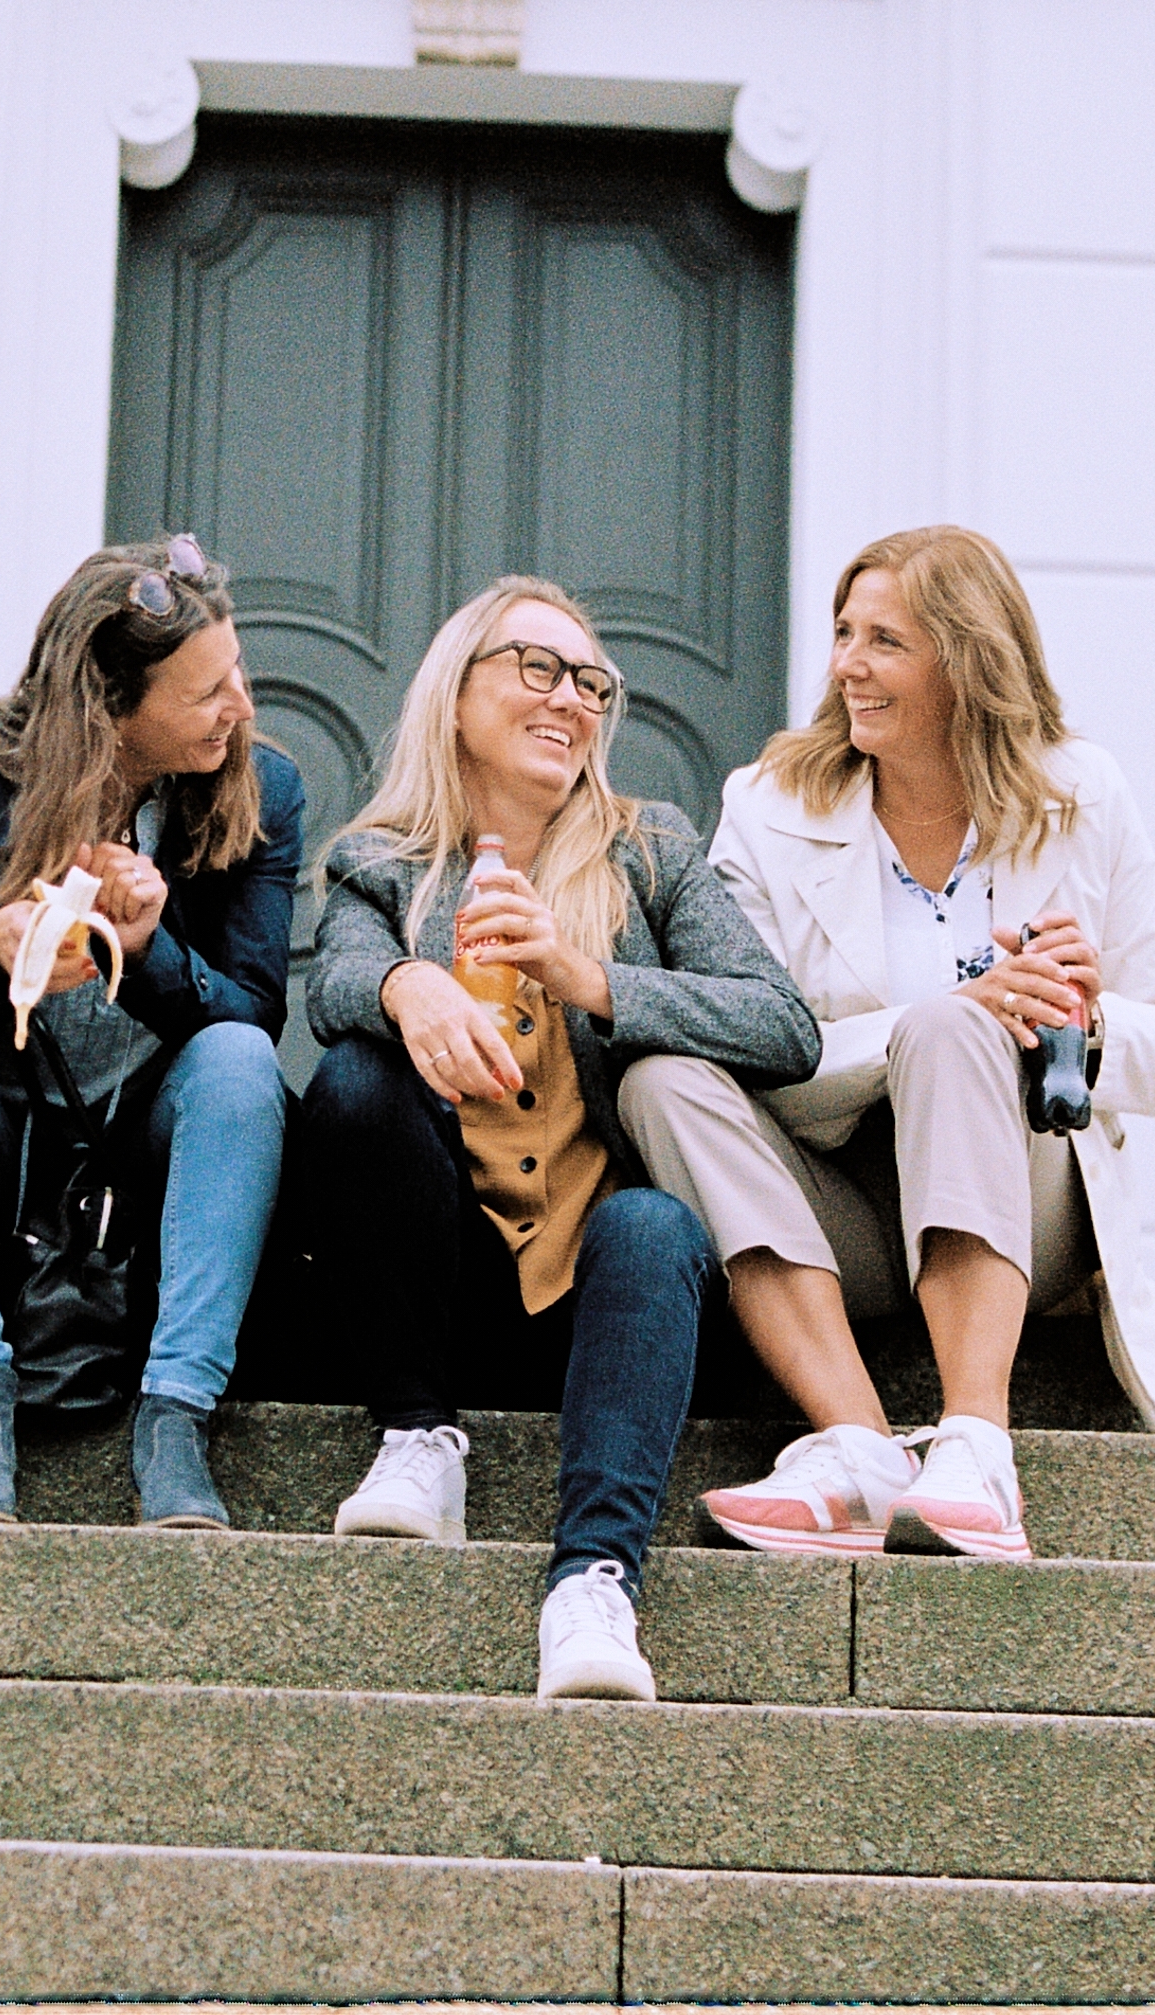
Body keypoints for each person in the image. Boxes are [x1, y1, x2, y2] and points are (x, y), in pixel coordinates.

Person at [297, 578, 821, 1702]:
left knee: (652, 1219)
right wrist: (405, 984)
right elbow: (331, 983)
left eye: (590, 681)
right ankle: (419, 1439)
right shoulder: (383, 864)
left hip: (614, 1298)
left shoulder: (654, 853)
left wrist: (592, 978)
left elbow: (784, 1023)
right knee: (353, 1081)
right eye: (535, 666)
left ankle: (594, 1581)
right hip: (453, 1287)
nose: (570, 698)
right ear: (457, 693)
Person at [666, 523, 1155, 1565]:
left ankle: (976, 1449)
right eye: (842, 632)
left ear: (967, 659)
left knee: (965, 1028)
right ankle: (860, 1444)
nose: (846, 665)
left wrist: (1085, 1022)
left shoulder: (1082, 793)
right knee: (668, 1075)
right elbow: (750, 1038)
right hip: (841, 1202)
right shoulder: (768, 806)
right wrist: (919, 1027)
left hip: (1025, 1207)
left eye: (884, 640)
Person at [0, 534, 304, 1529]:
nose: (239, 704)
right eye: (206, 689)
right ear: (111, 705)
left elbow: (256, 1012)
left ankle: (177, 1417)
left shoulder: (262, 789)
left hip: (149, 1139)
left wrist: (147, 953)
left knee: (235, 1058)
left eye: (237, 672)